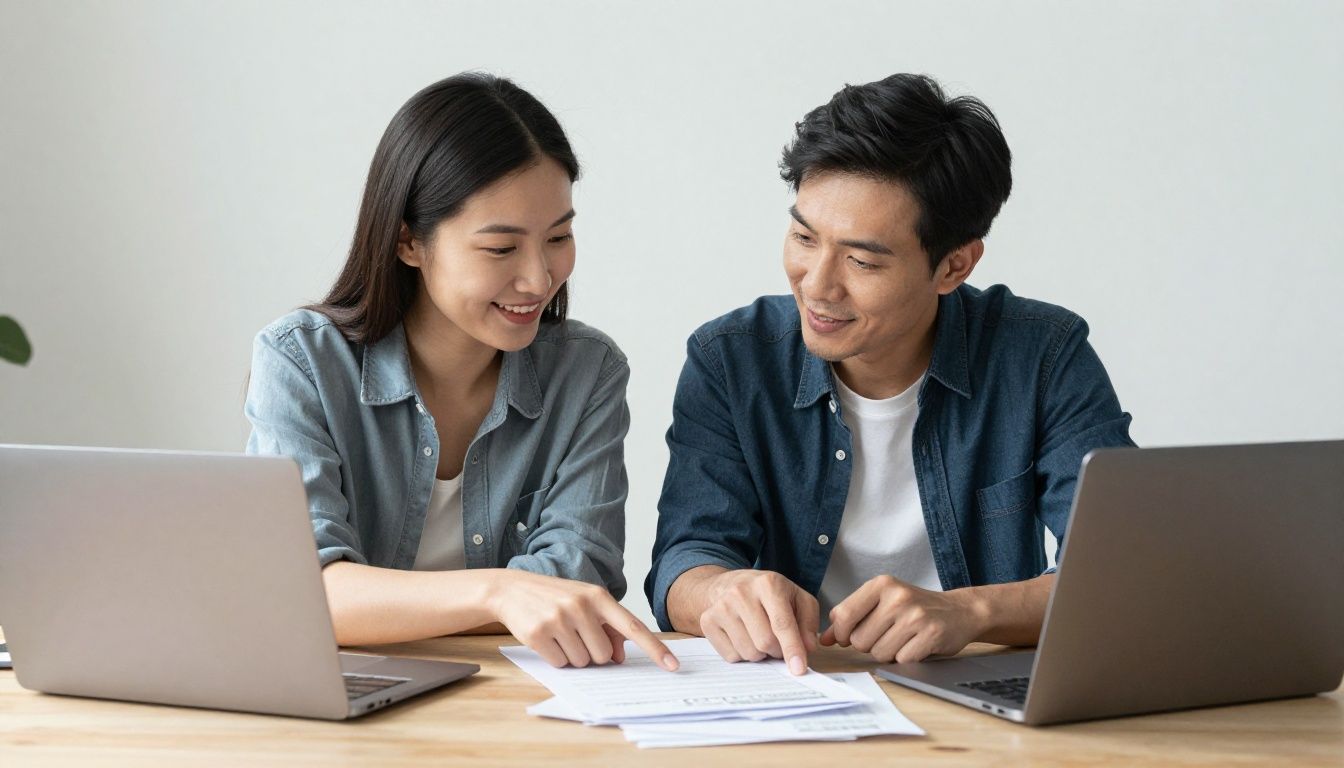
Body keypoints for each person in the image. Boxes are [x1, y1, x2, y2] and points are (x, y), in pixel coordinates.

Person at [646, 73, 1133, 675]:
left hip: (978, 705)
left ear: (954, 265)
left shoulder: (1042, 356)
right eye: (803, 236)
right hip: (797, 690)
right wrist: (719, 591)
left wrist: (970, 611)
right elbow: (685, 560)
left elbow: (1117, 570)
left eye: (861, 260)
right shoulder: (731, 359)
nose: (817, 285)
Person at [245, 73, 676, 672]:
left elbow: (580, 575)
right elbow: (301, 590)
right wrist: (501, 591)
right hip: (347, 696)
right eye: (501, 248)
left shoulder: (587, 372)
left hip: (517, 702)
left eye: (559, 236)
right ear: (408, 243)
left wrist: (366, 600)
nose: (538, 278)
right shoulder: (302, 363)